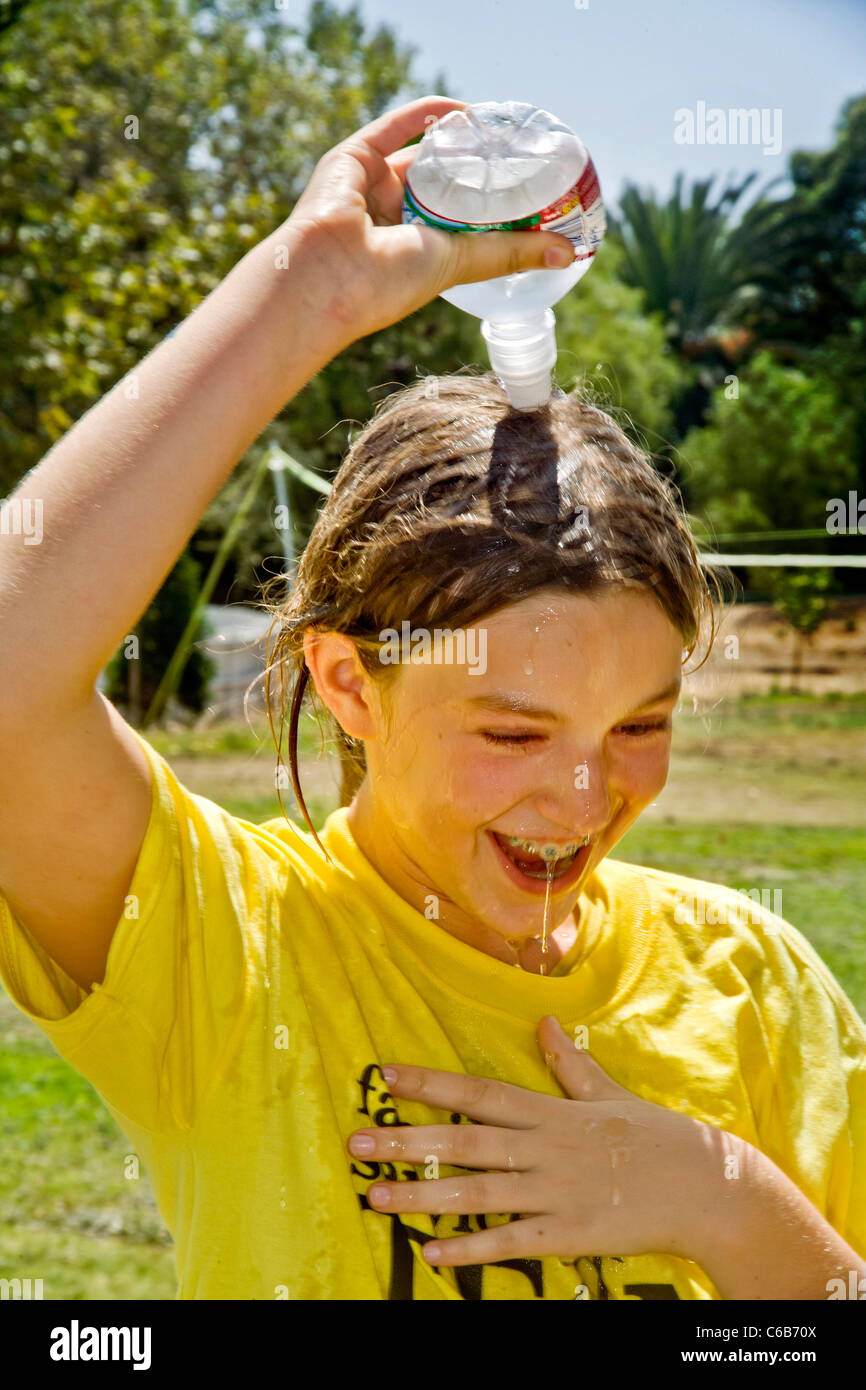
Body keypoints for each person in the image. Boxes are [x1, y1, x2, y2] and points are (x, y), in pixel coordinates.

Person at [0, 96, 864, 1303]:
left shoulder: (750, 981)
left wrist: (718, 1200)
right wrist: (308, 297)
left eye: (638, 726)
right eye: (512, 729)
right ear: (349, 681)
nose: (582, 794)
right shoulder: (233, 956)